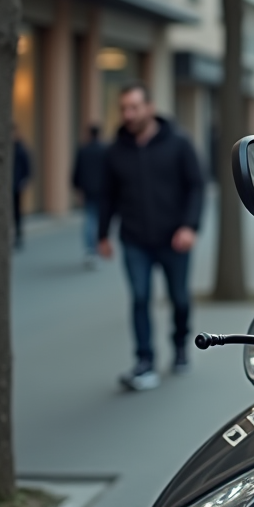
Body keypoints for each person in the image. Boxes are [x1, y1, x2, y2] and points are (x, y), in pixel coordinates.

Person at [99, 83, 205, 391]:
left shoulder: (179, 143)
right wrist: (103, 234)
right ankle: (144, 362)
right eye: (124, 109)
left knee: (179, 299)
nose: (128, 114)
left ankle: (181, 346)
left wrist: (190, 226)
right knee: (140, 298)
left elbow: (196, 187)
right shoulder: (115, 150)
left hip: (175, 239)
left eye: (134, 107)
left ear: (149, 107)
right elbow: (107, 196)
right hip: (134, 239)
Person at [72, 124, 108, 268]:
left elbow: (77, 170)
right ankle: (97, 246)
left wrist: (78, 188)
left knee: (89, 219)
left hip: (88, 190)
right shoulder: (105, 150)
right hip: (102, 190)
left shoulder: (84, 149)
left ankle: (90, 250)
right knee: (99, 220)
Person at [11, 124, 30, 251]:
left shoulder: (21, 148)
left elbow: (28, 167)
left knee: (17, 211)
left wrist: (23, 181)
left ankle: (18, 235)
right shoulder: (7, 147)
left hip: (16, 185)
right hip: (6, 187)